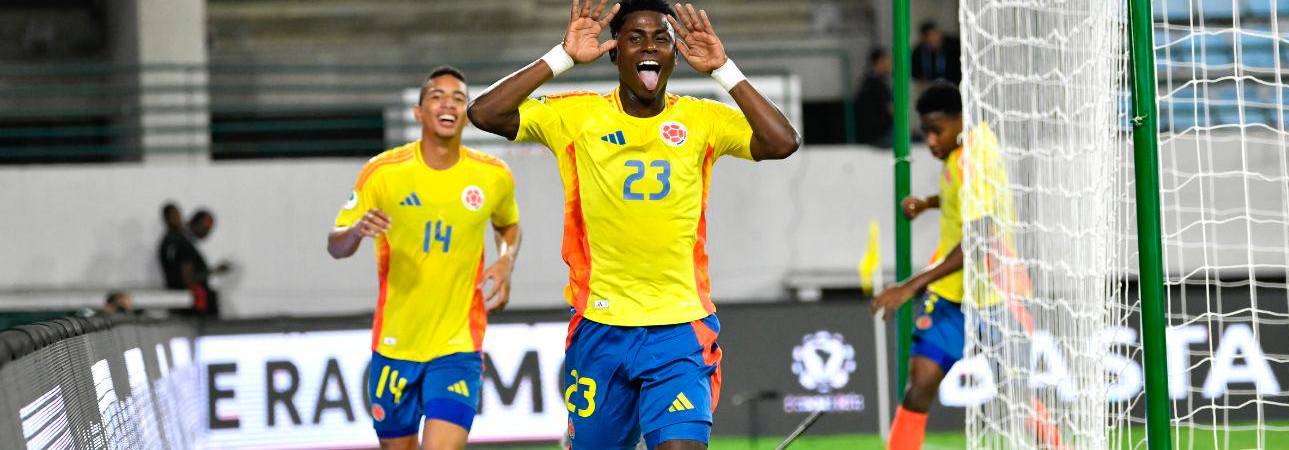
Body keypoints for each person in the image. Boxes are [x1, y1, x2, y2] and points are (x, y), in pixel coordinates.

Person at [467, 1, 798, 448]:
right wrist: (561, 57)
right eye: (635, 38)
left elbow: (782, 142)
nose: (649, 47)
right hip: (600, 329)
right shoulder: (576, 116)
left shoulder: (703, 119)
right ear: (613, 52)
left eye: (661, 39)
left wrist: (724, 70)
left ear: (675, 55)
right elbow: (484, 113)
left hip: (681, 329)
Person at [328, 66, 522, 450]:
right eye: (437, 96)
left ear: (466, 111)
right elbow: (336, 245)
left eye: (458, 98)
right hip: (395, 348)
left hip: (458, 347)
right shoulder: (382, 173)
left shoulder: (493, 175)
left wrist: (505, 260)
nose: (448, 103)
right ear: (419, 112)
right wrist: (355, 231)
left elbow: (508, 226)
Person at [871, 82, 1055, 450]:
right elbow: (964, 201)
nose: (932, 141)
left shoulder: (978, 156)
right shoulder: (957, 155)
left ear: (961, 121)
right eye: (926, 132)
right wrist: (928, 203)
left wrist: (910, 285)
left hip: (997, 295)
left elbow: (978, 239)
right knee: (920, 382)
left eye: (938, 130)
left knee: (1019, 400)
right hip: (954, 295)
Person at [854, 47, 893, 147]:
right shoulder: (878, 84)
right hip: (880, 136)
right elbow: (892, 110)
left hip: (866, 135)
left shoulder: (866, 82)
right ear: (880, 62)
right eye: (888, 62)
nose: (890, 65)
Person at [156, 202, 191, 289]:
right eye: (174, 216)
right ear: (166, 219)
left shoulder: (180, 238)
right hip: (179, 291)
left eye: (179, 215)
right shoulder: (172, 242)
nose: (178, 218)